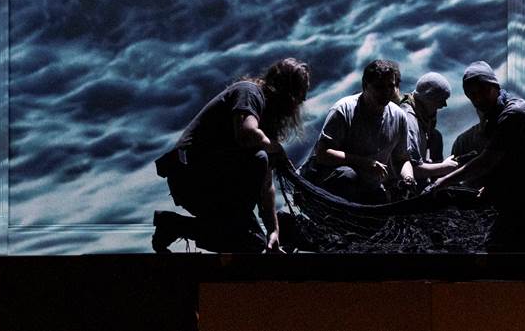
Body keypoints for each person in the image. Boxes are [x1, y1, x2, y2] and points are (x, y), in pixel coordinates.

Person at [153, 57, 311, 252]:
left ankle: (173, 225)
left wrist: (273, 231)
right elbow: (246, 133)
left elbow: (266, 184)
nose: (298, 105)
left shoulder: (266, 123)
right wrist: (276, 147)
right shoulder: (248, 92)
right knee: (260, 158)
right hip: (190, 178)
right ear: (286, 92)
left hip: (216, 182)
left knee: (253, 245)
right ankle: (233, 224)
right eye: (298, 98)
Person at [428, 61, 525, 251]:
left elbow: (487, 161)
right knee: (505, 239)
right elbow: (510, 158)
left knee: (504, 244)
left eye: (482, 91)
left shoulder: (512, 114)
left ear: (495, 87)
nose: (478, 99)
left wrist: (442, 182)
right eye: (472, 95)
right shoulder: (497, 116)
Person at [300, 59, 412, 203]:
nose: (386, 92)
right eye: (379, 87)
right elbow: (322, 154)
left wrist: (408, 177)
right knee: (348, 175)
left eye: (391, 86)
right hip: (326, 184)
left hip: (369, 186)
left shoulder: (399, 116)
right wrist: (364, 163)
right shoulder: (343, 110)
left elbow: (402, 159)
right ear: (365, 85)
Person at [398, 72, 459, 184]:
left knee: (436, 136)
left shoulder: (424, 118)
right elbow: (413, 169)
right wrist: (444, 167)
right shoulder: (409, 121)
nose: (444, 105)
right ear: (428, 98)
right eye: (440, 100)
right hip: (407, 185)